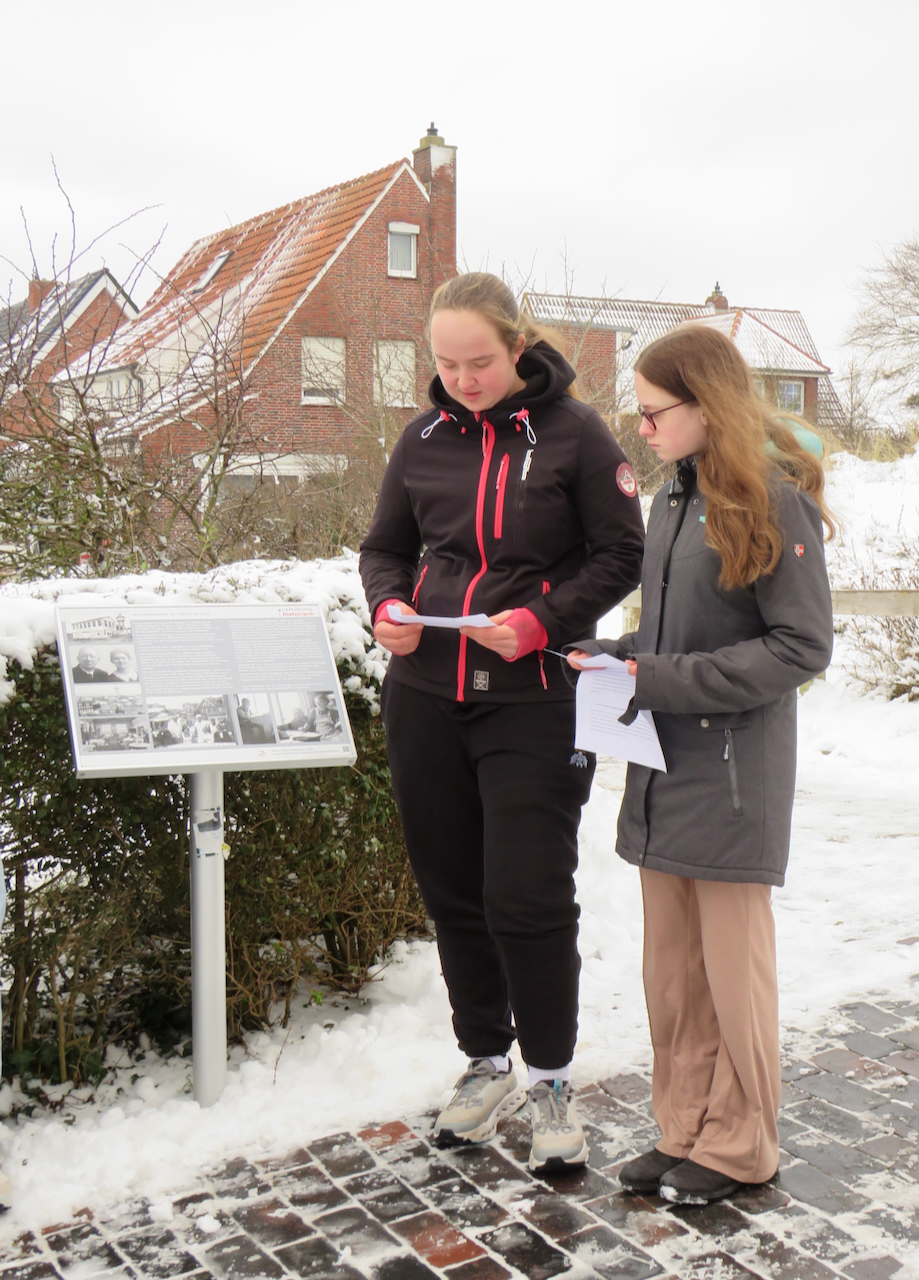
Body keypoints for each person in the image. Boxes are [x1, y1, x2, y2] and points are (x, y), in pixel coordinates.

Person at [359, 272, 644, 1172]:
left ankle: (552, 1079)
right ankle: (486, 1062)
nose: (462, 379)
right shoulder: (422, 438)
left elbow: (622, 555)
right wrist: (387, 607)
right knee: (453, 892)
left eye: (478, 361)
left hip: (535, 698)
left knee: (526, 896)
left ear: (518, 348)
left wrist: (539, 621)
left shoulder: (578, 434)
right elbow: (385, 549)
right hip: (425, 696)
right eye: (445, 364)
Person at [568, 325, 834, 1205]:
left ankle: (742, 1145)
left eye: (654, 413)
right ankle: (684, 1129)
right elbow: (674, 634)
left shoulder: (773, 501)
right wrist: (617, 656)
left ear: (705, 404)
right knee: (674, 974)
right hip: (661, 767)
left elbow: (800, 646)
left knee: (731, 976)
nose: (641, 429)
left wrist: (658, 678)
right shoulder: (672, 500)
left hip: (730, 776)